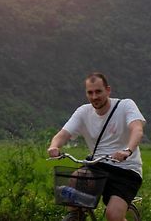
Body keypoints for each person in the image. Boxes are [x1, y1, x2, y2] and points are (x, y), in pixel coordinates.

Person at [48, 72, 145, 221]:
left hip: (126, 170)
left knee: (113, 215)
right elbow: (63, 134)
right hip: (97, 166)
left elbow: (137, 129)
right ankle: (75, 216)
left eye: (98, 91)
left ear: (108, 90)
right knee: (75, 183)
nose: (94, 97)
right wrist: (54, 146)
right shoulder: (83, 112)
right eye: (90, 92)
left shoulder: (125, 105)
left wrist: (127, 150)